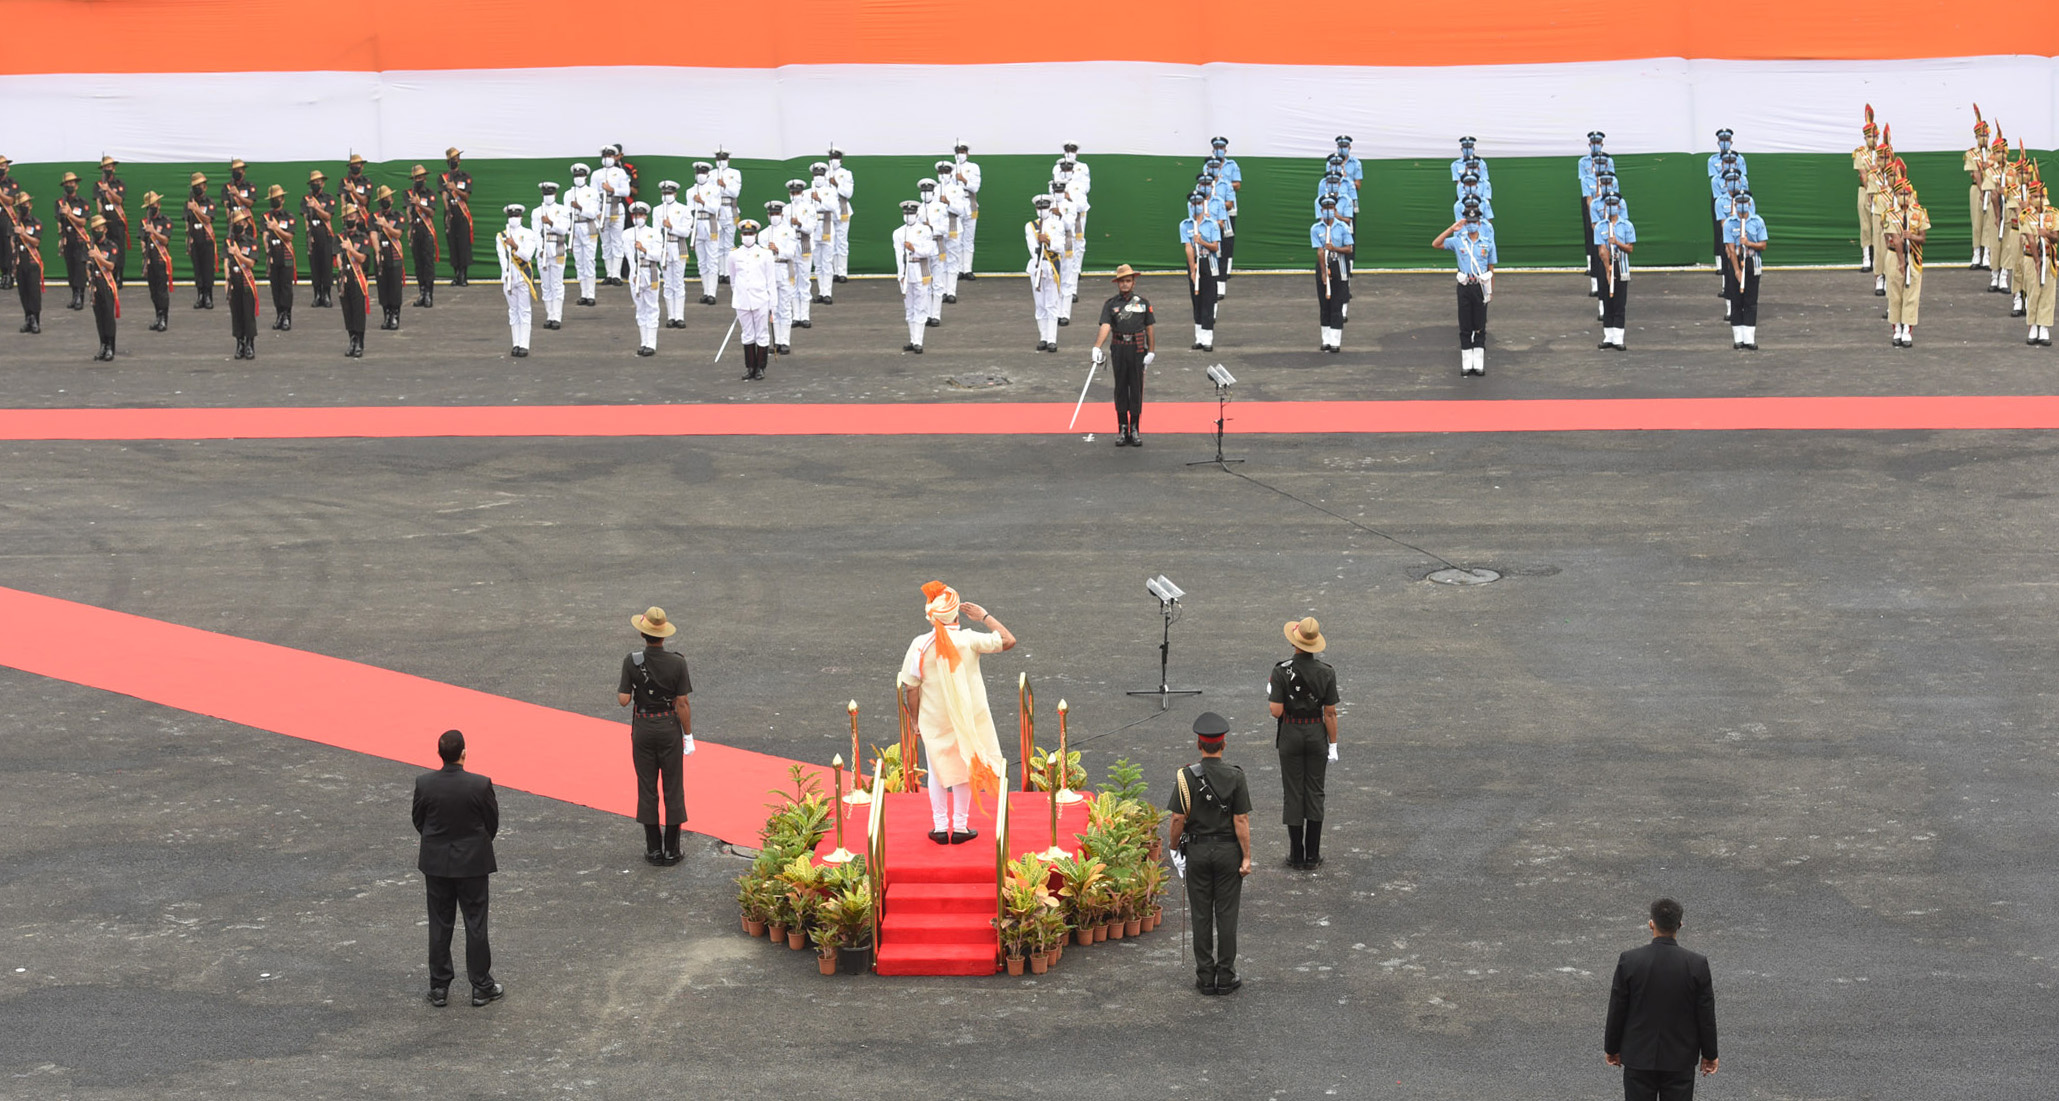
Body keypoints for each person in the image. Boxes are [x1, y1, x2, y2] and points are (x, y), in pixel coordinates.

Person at [896, 582, 1015, 843]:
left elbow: (910, 688)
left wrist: (914, 720)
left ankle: (940, 827)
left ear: (931, 616)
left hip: (933, 718)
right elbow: (1008, 640)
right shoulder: (969, 638)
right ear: (957, 615)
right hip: (968, 716)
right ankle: (960, 826)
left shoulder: (919, 645)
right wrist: (984, 616)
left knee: (937, 769)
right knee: (965, 767)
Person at [411, 729, 503, 1009]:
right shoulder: (480, 784)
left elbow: (419, 821)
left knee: (440, 924)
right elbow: (492, 823)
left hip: (436, 864)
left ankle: (439, 988)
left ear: (440, 754)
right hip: (473, 864)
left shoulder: (425, 784)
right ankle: (481, 986)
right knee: (475, 924)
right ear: (464, 752)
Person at [1165, 711, 1252, 995]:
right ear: (1223, 744)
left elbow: (1177, 819)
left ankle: (1204, 976)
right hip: (1228, 852)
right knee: (1227, 916)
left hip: (1198, 852)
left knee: (1201, 915)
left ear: (1199, 745)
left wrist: (1174, 848)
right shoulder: (1236, 777)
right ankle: (1225, 976)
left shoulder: (1186, 777)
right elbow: (1241, 820)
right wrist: (1247, 856)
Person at [1604, 898, 1718, 1100]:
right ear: (1680, 925)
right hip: (1679, 1059)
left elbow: (1618, 1008)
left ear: (1651, 924)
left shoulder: (1630, 960)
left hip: (1639, 1056)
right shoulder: (1697, 964)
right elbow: (1705, 1014)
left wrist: (1612, 1048)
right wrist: (1709, 1054)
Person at [615, 607, 694, 866]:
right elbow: (682, 702)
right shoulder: (678, 662)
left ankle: (653, 849)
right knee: (673, 786)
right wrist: (688, 736)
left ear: (642, 632)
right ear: (664, 634)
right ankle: (672, 849)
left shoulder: (632, 660)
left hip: (643, 729)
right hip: (669, 728)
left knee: (647, 786)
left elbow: (624, 700)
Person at [1267, 617, 1338, 868]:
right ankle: (1312, 856)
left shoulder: (1280, 671)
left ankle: (1296, 855)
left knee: (1294, 792)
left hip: (1290, 734)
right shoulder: (1327, 672)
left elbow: (1276, 711)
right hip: (1316, 734)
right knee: (1315, 792)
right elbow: (1329, 712)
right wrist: (1333, 744)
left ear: (1295, 643)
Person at [1090, 264, 1157, 446]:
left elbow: (1149, 328)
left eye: (1128, 281)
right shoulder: (1111, 304)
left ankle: (1135, 428)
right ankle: (1122, 427)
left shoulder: (1143, 303)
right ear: (1117, 283)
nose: (1125, 284)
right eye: (1122, 281)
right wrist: (1097, 347)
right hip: (1119, 348)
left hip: (1137, 349)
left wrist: (1151, 351)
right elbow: (1105, 326)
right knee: (1120, 388)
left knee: (1136, 388)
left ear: (1133, 282)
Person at [1434, 201, 1497, 376]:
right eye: (1468, 222)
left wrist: (1490, 290)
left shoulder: (1487, 243)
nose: (1471, 225)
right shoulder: (1458, 241)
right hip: (1464, 286)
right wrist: (1451, 228)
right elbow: (1436, 244)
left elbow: (1491, 267)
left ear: (1479, 223)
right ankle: (1466, 363)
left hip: (1480, 286)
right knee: (1465, 325)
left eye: (1474, 222)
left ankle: (1479, 363)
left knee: (1480, 324)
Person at [1881, 177, 1927, 348]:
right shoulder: (1890, 215)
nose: (1904, 197)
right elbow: (1895, 240)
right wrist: (1901, 262)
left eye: (1907, 194)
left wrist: (1912, 236)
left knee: (1911, 294)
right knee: (1895, 294)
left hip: (1914, 256)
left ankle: (1907, 328)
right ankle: (1896, 329)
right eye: (1901, 194)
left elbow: (1923, 237)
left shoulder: (1919, 212)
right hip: (1895, 256)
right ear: (1895, 195)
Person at [728, 218, 776, 380]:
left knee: (761, 334)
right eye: (745, 233)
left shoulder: (765, 253)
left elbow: (771, 280)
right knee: (747, 334)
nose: (747, 236)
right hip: (742, 300)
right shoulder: (734, 254)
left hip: (761, 299)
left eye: (750, 233)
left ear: (755, 235)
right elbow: (733, 280)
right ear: (741, 235)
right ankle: (750, 367)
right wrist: (740, 294)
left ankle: (761, 367)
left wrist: (772, 305)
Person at [1722, 191, 1767, 350]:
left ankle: (1749, 338)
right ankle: (1738, 338)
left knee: (1751, 301)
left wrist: (1749, 242)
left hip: (1752, 263)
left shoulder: (1757, 221)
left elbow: (1763, 245)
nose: (1741, 206)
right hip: (1736, 263)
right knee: (1736, 301)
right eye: (1738, 203)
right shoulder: (1729, 223)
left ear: (1749, 204)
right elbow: (1731, 249)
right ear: (1735, 205)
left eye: (1744, 202)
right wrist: (1736, 271)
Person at [1180, 190, 1222, 351]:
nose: (1196, 206)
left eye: (1199, 202)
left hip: (1209, 262)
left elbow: (1215, 247)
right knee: (1196, 300)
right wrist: (1192, 269)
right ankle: (1199, 338)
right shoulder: (1185, 225)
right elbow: (1188, 247)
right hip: (1194, 263)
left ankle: (1208, 339)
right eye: (1193, 203)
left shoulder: (1211, 224)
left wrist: (1202, 241)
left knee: (1208, 299)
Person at [892, 199, 937, 353]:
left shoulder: (925, 230)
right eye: (906, 213)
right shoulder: (898, 232)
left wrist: (914, 248)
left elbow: (928, 251)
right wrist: (900, 276)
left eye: (911, 213)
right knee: (909, 308)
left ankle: (919, 341)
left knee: (921, 307)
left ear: (916, 214)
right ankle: (912, 340)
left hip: (921, 268)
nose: (908, 215)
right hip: (907, 271)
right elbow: (898, 256)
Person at [495, 203, 538, 358]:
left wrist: (515, 246)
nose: (514, 218)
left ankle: (524, 344)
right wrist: (506, 273)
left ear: (521, 217)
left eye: (516, 215)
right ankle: (516, 344)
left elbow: (527, 256)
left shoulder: (528, 234)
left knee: (524, 311)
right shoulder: (501, 236)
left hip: (523, 278)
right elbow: (502, 257)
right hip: (509, 279)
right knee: (513, 312)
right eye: (511, 216)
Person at [1312, 196, 1352, 353]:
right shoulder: (1316, 228)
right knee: (1324, 303)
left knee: (1337, 303)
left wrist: (1335, 248)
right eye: (1326, 208)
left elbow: (1349, 248)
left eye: (1331, 208)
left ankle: (1336, 341)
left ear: (1335, 210)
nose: (1328, 210)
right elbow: (1319, 251)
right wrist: (1323, 272)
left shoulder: (1342, 227)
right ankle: (1325, 340)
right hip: (1323, 266)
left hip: (1339, 266)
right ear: (1321, 211)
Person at [1595, 193, 1635, 349]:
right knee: (1606, 299)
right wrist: (1607, 270)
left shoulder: (1627, 226)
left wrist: (1617, 242)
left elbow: (1630, 248)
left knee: (1619, 301)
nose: (1611, 206)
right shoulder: (1600, 226)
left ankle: (1618, 338)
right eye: (1608, 203)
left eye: (1614, 203)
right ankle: (1608, 337)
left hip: (1622, 266)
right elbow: (1601, 249)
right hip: (1606, 265)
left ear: (1619, 206)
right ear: (1605, 206)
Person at [1026, 195, 1064, 352]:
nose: (1041, 210)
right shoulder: (1030, 226)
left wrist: (1048, 241)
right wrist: (1038, 265)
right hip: (1037, 266)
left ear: (1049, 207)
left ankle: (1052, 339)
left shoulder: (1057, 224)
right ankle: (1043, 337)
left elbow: (1060, 247)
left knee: (1052, 304)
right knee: (1040, 304)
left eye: (1044, 207)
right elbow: (1032, 247)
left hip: (1052, 266)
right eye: (1039, 207)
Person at [624, 201, 663, 356]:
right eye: (635, 215)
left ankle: (651, 344)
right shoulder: (626, 234)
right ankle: (643, 342)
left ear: (646, 216)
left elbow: (659, 256)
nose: (637, 218)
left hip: (651, 270)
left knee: (652, 307)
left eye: (640, 215)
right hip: (636, 273)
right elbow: (628, 257)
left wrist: (644, 250)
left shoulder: (654, 233)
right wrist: (634, 274)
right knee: (640, 309)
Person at [2021, 181, 2056, 346]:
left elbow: (2056, 237)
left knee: (2048, 293)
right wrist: (2036, 261)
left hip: (2049, 258)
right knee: (2033, 291)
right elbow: (2030, 240)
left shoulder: (2053, 214)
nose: (2037, 199)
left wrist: (2047, 234)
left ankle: (2044, 327)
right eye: (2034, 196)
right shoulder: (2026, 216)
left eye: (2040, 196)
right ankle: (2033, 325)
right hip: (2031, 258)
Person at [762, 199, 798, 355]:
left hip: (784, 267)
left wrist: (777, 250)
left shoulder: (789, 231)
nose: (774, 216)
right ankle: (776, 341)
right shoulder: (763, 233)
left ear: (782, 214)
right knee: (773, 307)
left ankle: (785, 341)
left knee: (785, 306)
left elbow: (792, 253)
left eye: (776, 213)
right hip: (770, 270)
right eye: (771, 214)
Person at [224, 209, 262, 359]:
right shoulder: (228, 242)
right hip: (234, 281)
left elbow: (251, 263)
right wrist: (227, 282)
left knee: (248, 314)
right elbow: (226, 262)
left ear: (245, 224)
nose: (238, 225)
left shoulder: (251, 242)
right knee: (236, 314)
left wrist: (238, 254)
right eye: (235, 224)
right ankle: (239, 343)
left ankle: (250, 343)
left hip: (246, 282)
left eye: (241, 223)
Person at [531, 181, 568, 331]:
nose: (548, 196)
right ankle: (549, 315)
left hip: (558, 247)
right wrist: (539, 248)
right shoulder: (536, 211)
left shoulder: (562, 210)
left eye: (550, 194)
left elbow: (564, 229)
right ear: (542, 194)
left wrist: (550, 222)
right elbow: (535, 232)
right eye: (545, 194)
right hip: (543, 250)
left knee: (557, 284)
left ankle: (557, 317)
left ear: (555, 194)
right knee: (545, 285)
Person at [260, 185, 297, 331]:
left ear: (282, 199)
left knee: (286, 287)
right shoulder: (266, 217)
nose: (275, 200)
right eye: (272, 199)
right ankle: (279, 314)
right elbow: (264, 235)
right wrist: (268, 250)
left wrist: (277, 229)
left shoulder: (289, 217)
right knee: (275, 287)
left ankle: (287, 316)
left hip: (286, 254)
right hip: (273, 255)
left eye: (277, 198)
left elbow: (289, 237)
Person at [335, 209, 371, 358]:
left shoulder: (362, 238)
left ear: (357, 219)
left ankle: (360, 342)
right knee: (347, 310)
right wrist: (341, 271)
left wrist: (350, 249)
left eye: (351, 217)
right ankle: (352, 340)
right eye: (346, 217)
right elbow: (337, 257)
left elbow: (362, 258)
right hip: (345, 276)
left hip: (358, 277)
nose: (349, 219)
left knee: (358, 311)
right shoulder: (339, 238)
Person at [565, 162, 601, 306]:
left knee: (589, 260)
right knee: (579, 262)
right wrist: (569, 231)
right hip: (575, 227)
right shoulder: (569, 193)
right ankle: (583, 294)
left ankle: (591, 294)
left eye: (580, 175)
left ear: (585, 176)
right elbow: (566, 214)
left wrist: (579, 207)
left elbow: (593, 213)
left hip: (588, 225)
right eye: (576, 175)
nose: (578, 177)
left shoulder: (592, 192)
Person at [371, 186, 407, 330]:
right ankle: (386, 315)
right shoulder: (373, 217)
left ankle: (395, 316)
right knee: (383, 287)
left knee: (395, 288)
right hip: (381, 255)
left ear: (391, 200)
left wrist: (386, 225)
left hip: (394, 255)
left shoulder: (398, 215)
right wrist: (377, 252)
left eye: (387, 198)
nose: (385, 201)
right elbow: (373, 234)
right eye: (382, 199)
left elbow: (398, 234)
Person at [595, 147, 632, 287]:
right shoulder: (596, 174)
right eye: (605, 155)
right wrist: (596, 212)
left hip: (617, 208)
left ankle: (616, 274)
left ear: (614, 157)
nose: (607, 158)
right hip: (602, 209)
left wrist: (612, 190)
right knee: (605, 242)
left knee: (617, 241)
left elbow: (626, 191)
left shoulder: (620, 172)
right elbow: (592, 194)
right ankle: (609, 273)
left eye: (610, 155)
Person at [84, 215, 119, 361]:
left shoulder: (111, 246)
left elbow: (111, 266)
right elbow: (87, 265)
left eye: (99, 228)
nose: (97, 231)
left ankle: (110, 346)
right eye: (94, 229)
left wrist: (98, 257)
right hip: (95, 285)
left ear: (104, 229)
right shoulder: (89, 246)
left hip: (107, 284)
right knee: (99, 317)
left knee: (108, 317)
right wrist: (90, 282)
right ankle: (102, 345)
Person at [55, 172, 91, 312]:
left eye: (71, 183)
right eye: (67, 183)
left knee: (79, 269)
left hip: (79, 239)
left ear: (76, 185)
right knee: (70, 269)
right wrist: (61, 237)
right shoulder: (59, 203)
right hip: (67, 240)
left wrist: (70, 214)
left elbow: (82, 222)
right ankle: (74, 294)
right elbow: (59, 222)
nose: (69, 185)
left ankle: (80, 297)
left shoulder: (82, 202)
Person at [688, 163, 721, 305]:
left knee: (712, 260)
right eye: (698, 172)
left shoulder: (714, 189)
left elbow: (715, 208)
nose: (700, 174)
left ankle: (712, 293)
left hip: (710, 224)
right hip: (697, 226)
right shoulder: (690, 191)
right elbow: (689, 210)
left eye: (703, 171)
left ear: (708, 173)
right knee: (702, 261)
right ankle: (705, 291)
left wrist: (702, 202)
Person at [139, 191, 173, 332]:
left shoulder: (165, 221)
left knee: (161, 291)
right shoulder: (144, 223)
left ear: (158, 205)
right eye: (149, 206)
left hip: (161, 260)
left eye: (153, 205)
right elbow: (142, 241)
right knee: (153, 292)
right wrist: (144, 256)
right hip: (150, 260)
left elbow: (165, 240)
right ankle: (158, 316)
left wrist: (154, 232)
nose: (152, 208)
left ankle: (164, 318)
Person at [440, 147, 474, 286]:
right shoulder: (443, 178)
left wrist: (455, 189)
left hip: (462, 215)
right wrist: (448, 212)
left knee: (463, 245)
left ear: (459, 161)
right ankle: (456, 274)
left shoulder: (465, 177)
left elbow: (466, 196)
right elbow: (443, 195)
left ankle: (463, 276)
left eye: (456, 159)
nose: (454, 161)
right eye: (451, 160)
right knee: (452, 245)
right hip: (451, 214)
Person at [406, 165, 439, 308]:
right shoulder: (408, 194)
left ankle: (429, 294)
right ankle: (421, 292)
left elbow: (431, 213)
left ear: (425, 178)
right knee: (418, 264)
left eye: (420, 177)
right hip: (415, 230)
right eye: (415, 178)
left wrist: (419, 204)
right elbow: (408, 211)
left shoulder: (429, 193)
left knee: (428, 263)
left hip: (426, 231)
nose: (418, 180)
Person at [94, 156, 128, 289]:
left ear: (113, 168)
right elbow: (98, 201)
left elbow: (119, 200)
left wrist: (108, 190)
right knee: (105, 248)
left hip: (117, 220)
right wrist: (100, 218)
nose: (107, 169)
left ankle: (120, 276)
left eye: (109, 167)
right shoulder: (97, 185)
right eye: (105, 167)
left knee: (119, 249)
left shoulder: (119, 184)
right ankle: (109, 275)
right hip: (105, 221)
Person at [303, 171, 335, 308]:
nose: (316, 184)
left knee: (326, 265)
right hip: (313, 234)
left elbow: (328, 217)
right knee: (315, 266)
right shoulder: (306, 199)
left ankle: (327, 294)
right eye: (313, 182)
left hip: (325, 233)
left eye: (318, 181)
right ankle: (317, 294)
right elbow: (305, 218)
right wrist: (308, 234)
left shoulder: (328, 198)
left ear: (323, 183)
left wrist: (316, 207)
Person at [184, 173, 216, 310]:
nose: (198, 188)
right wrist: (188, 241)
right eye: (195, 186)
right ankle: (200, 295)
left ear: (205, 187)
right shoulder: (188, 203)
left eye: (200, 185)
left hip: (207, 239)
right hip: (194, 239)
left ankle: (208, 296)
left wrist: (196, 209)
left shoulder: (210, 202)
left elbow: (208, 219)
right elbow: (187, 223)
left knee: (208, 268)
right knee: (197, 269)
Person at [711, 148, 742, 282]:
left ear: (728, 160)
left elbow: (735, 193)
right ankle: (719, 272)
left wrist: (724, 186)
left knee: (728, 244)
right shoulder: (710, 174)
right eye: (719, 159)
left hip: (730, 210)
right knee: (717, 244)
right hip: (716, 210)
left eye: (723, 159)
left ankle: (728, 272)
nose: (721, 161)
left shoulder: (734, 173)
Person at [13, 192, 42, 333]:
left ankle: (36, 319)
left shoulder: (35, 223)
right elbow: (12, 243)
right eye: (20, 205)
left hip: (32, 261)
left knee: (33, 292)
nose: (23, 207)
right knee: (23, 291)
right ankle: (28, 318)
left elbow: (36, 242)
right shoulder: (15, 223)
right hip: (20, 261)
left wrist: (23, 234)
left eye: (25, 204)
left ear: (30, 205)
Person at [951, 142, 981, 277]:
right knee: (956, 239)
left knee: (968, 239)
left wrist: (962, 179)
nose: (960, 154)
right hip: (956, 205)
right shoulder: (950, 169)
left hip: (970, 204)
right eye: (958, 152)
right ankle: (957, 269)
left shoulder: (973, 167)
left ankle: (967, 269)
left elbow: (975, 187)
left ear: (967, 153)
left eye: (963, 152)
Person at [826, 146, 855, 283]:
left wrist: (836, 184)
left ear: (841, 160)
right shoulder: (824, 174)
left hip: (842, 209)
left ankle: (842, 272)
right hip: (828, 210)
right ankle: (832, 272)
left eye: (836, 158)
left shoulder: (846, 173)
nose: (833, 161)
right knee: (829, 241)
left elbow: (849, 193)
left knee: (842, 242)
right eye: (831, 158)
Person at [0, 156, 20, 292]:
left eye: (3, 165)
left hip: (5, 217)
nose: (1, 168)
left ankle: (8, 275)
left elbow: (10, 201)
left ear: (7, 168)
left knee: (6, 247)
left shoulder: (11, 183)